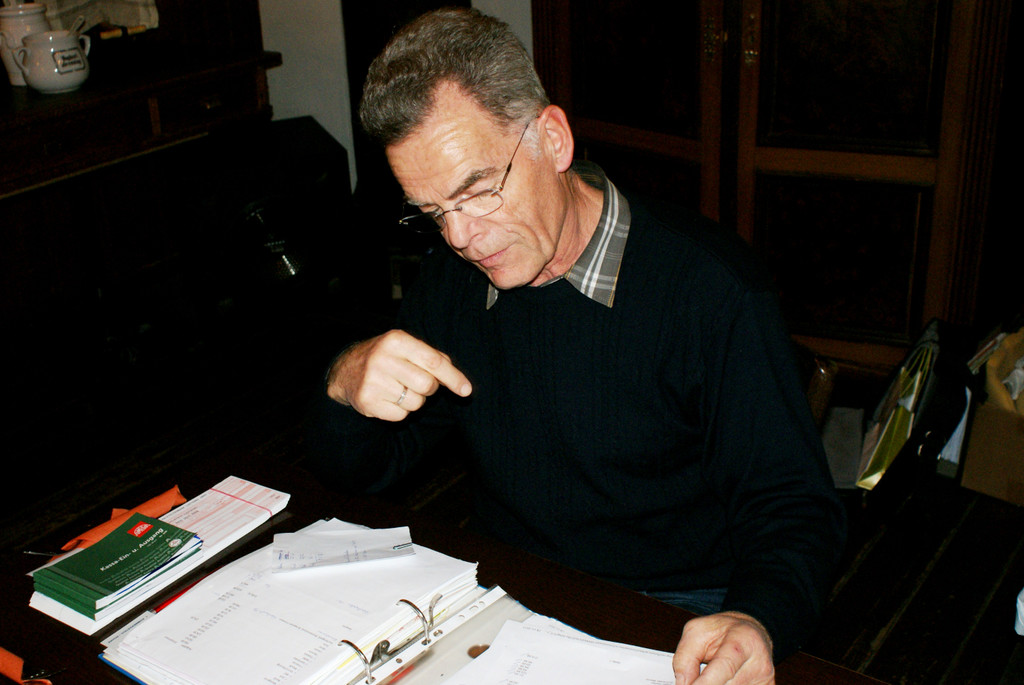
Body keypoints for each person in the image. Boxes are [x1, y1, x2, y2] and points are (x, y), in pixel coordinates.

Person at [307, 7, 845, 684]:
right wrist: (345, 383)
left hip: (673, 606)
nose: (462, 238)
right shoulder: (452, 282)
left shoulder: (710, 291)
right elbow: (362, 473)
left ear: (552, 139)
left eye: (479, 191)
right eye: (434, 213)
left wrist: (757, 616)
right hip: (507, 593)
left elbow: (795, 506)